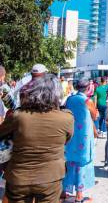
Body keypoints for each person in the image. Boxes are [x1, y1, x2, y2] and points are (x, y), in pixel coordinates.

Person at [0, 74, 73, 203]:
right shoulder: (66, 118)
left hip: (19, 177)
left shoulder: (18, 116)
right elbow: (66, 139)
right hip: (50, 178)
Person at [63, 78, 95, 202]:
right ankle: (79, 195)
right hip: (84, 138)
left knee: (70, 161)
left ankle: (63, 191)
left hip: (71, 135)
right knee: (82, 163)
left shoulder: (70, 99)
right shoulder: (88, 101)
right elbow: (95, 115)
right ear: (88, 88)